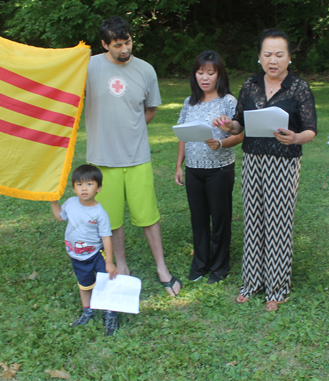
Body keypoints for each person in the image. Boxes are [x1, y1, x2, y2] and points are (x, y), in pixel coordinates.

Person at [213, 29, 317, 311]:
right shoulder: (250, 85)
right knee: (254, 220)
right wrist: (228, 127)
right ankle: (252, 282)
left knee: (278, 223)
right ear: (259, 57)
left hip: (283, 163)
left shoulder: (299, 88)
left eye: (279, 54)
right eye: (267, 54)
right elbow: (238, 125)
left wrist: (295, 137)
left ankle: (277, 287)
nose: (273, 60)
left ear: (289, 58)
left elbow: (310, 130)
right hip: (253, 160)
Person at [84, 16, 182, 296]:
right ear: (104, 44)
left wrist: (132, 128)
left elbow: (151, 109)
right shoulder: (89, 67)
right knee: (112, 220)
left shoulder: (146, 70)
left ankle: (162, 268)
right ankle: (122, 266)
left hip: (138, 157)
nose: (125, 49)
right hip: (103, 159)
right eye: (117, 45)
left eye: (127, 42)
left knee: (148, 216)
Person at [174, 51, 243, 284]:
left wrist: (221, 141)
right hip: (194, 170)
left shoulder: (228, 101)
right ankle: (200, 263)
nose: (205, 77)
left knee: (220, 219)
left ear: (219, 75)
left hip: (220, 170)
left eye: (210, 73)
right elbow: (182, 135)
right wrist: (179, 166)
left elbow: (240, 134)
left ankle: (220, 267)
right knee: (199, 219)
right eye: (200, 72)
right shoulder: (189, 102)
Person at [50, 164, 119, 336]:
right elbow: (60, 217)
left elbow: (106, 238)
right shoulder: (70, 204)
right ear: (73, 188)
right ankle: (88, 311)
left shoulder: (100, 213)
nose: (84, 188)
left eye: (89, 184)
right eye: (79, 185)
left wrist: (109, 262)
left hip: (96, 255)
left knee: (106, 283)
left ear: (99, 188)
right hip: (77, 256)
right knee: (85, 285)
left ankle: (111, 314)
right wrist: (52, 200)